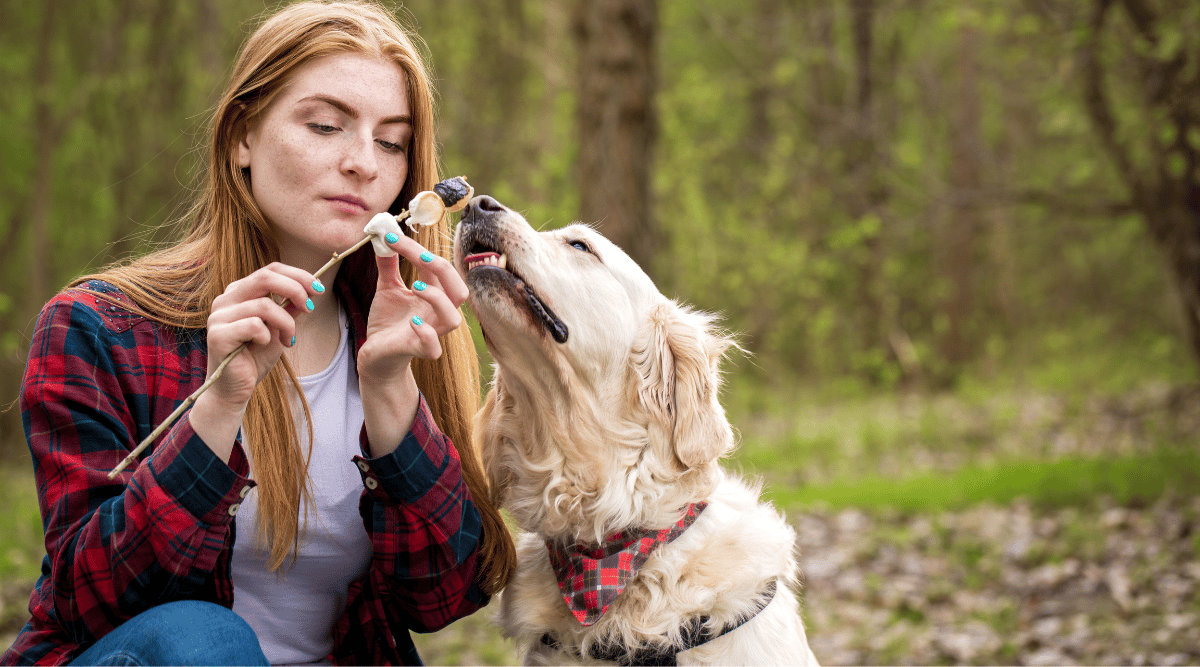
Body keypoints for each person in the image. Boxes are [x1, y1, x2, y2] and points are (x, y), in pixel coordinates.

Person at [1, 1, 515, 664]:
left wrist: (391, 394)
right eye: (326, 125)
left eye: (391, 141)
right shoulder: (99, 328)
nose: (363, 163)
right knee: (203, 638)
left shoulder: (405, 334)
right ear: (243, 136)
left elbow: (447, 597)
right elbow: (88, 596)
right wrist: (217, 408)